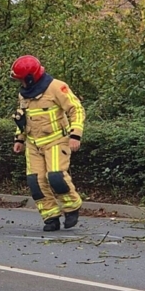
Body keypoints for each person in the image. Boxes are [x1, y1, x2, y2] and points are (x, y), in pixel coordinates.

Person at [10, 55, 85, 232]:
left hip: (57, 140)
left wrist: (76, 135)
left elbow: (76, 109)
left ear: (30, 77)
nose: (19, 83)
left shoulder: (57, 87)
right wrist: (19, 139)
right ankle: (50, 217)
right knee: (35, 181)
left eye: (21, 79)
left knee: (56, 176)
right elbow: (23, 118)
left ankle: (72, 207)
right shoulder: (24, 94)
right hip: (33, 144)